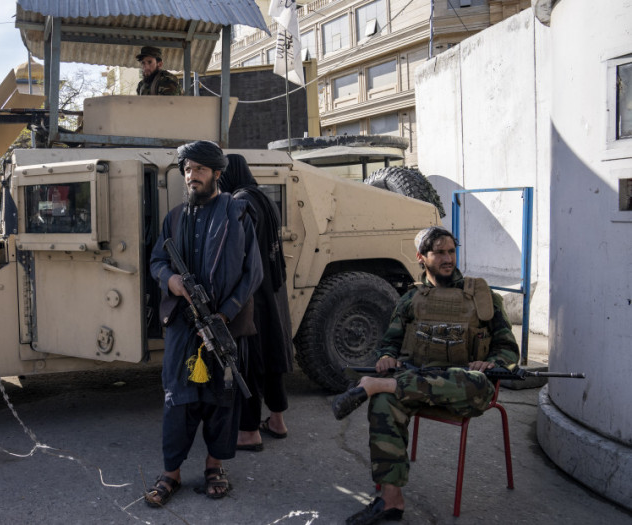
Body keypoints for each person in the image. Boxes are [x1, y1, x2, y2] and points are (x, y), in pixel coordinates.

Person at [332, 226, 519, 525]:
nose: (448, 259)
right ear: (421, 257)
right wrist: (385, 357)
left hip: (465, 387)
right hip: (417, 381)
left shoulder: (482, 296)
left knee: (470, 382)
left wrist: (492, 362)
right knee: (382, 404)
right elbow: (389, 343)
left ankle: (380, 385)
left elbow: (509, 351)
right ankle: (390, 500)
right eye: (439, 252)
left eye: (451, 251)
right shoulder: (410, 300)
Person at [146, 141, 262, 506]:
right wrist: (171, 281)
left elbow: (252, 273)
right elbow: (156, 260)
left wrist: (224, 312)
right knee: (177, 401)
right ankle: (171, 474)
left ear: (216, 173)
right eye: (186, 170)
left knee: (221, 400)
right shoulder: (176, 217)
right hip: (183, 325)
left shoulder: (238, 214)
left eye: (198, 169)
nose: (191, 175)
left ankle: (215, 467)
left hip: (224, 325)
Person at [218, 154, 294, 452]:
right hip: (273, 290)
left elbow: (239, 254)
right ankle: (277, 420)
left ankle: (248, 432)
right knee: (273, 354)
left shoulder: (240, 201)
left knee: (247, 360)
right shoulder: (262, 196)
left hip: (253, 294)